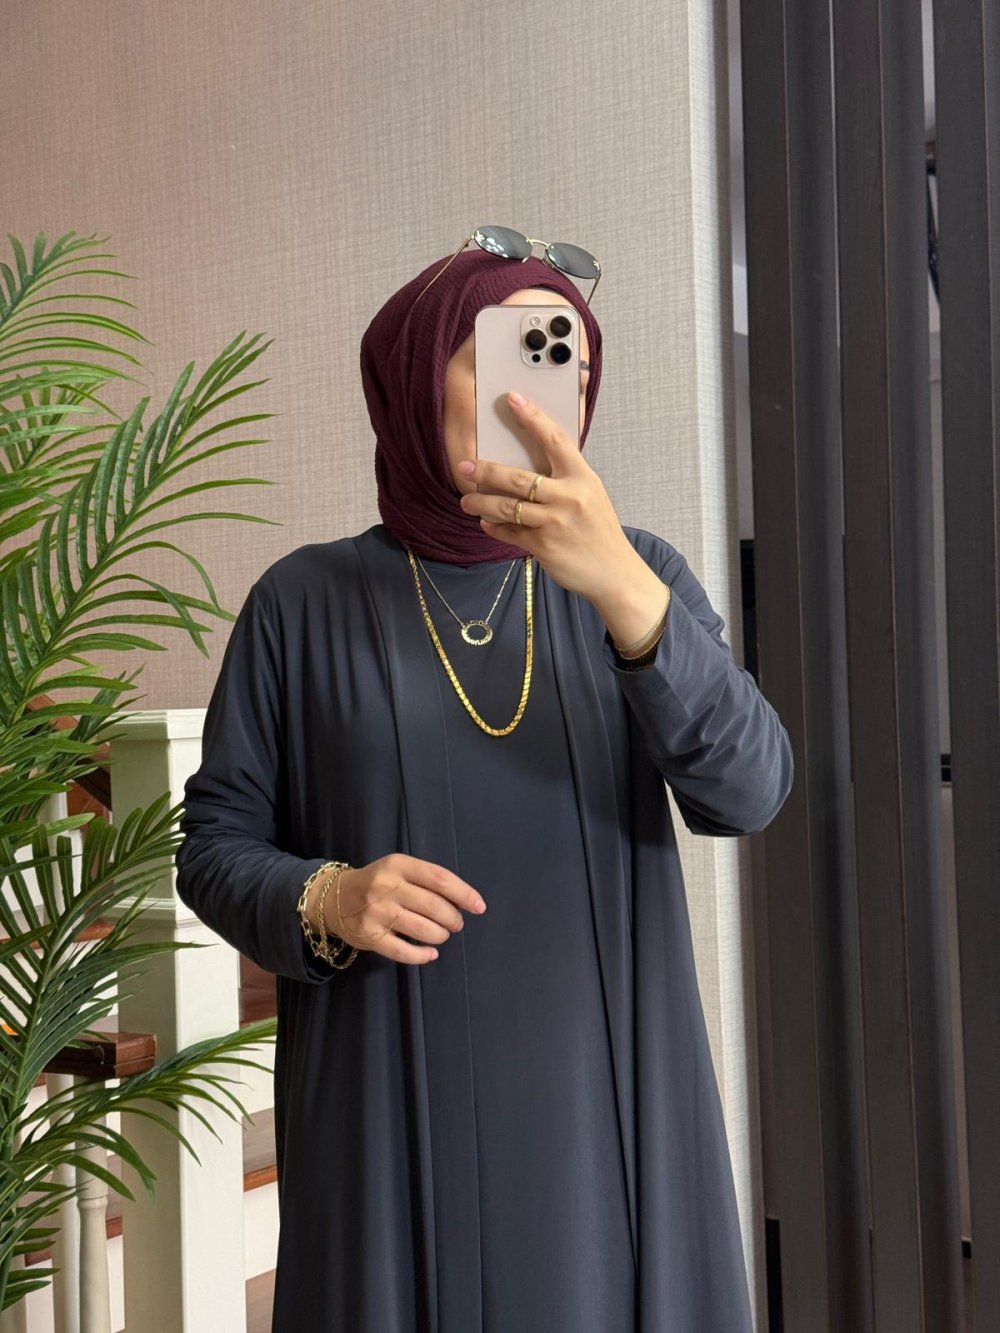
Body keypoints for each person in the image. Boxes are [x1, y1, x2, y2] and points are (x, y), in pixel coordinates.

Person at [175, 238, 793, 1332]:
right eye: (507, 355)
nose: (542, 397)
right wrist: (327, 895)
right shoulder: (300, 603)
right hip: (383, 1097)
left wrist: (622, 590)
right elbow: (215, 846)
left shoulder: (638, 575)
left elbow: (748, 790)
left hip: (603, 1102)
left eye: (570, 367)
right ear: (416, 379)